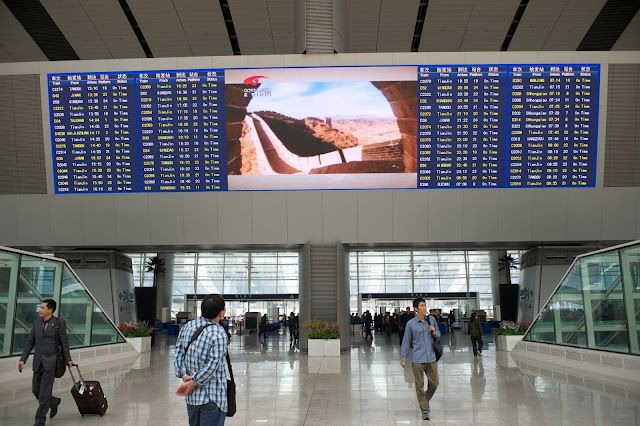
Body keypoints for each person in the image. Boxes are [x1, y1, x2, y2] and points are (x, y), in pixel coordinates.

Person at [174, 294, 229, 426]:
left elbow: (178, 353)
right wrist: (194, 382)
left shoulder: (187, 327)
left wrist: (185, 375)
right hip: (212, 396)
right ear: (221, 313)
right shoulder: (218, 333)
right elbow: (213, 364)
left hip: (192, 397)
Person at [18, 299, 73, 426]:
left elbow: (64, 343)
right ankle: (53, 402)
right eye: (40, 307)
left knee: (44, 392)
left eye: (42, 308)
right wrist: (22, 359)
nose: (40, 310)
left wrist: (68, 359)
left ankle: (40, 420)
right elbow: (29, 342)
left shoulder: (59, 323)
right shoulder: (36, 323)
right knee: (35, 389)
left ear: (50, 310)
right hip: (38, 362)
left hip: (51, 362)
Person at [400, 298, 441, 421]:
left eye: (425, 305)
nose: (425, 308)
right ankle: (425, 411)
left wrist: (434, 332)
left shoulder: (431, 320)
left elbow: (438, 335)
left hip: (431, 357)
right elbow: (406, 342)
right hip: (417, 358)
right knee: (419, 385)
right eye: (422, 306)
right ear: (416, 309)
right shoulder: (411, 324)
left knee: (434, 383)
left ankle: (424, 400)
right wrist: (403, 358)